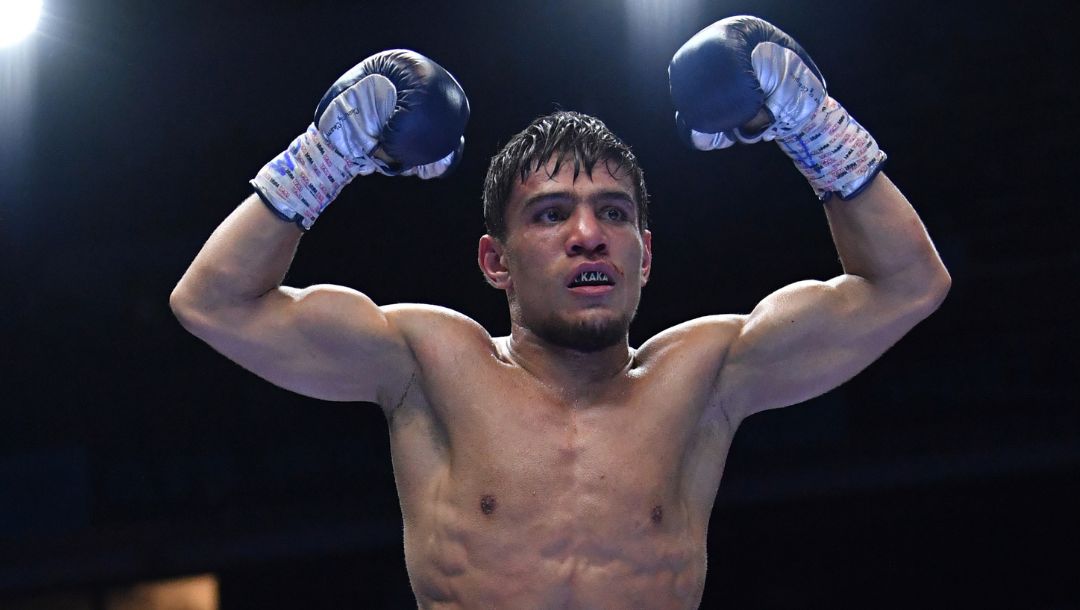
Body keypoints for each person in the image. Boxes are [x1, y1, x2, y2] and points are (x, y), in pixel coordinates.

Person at [171, 18, 951, 609]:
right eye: (550, 216)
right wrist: (328, 151)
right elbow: (215, 302)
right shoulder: (428, 364)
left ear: (645, 254)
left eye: (612, 213)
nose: (587, 236)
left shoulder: (706, 374)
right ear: (495, 261)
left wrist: (814, 124)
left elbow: (905, 286)